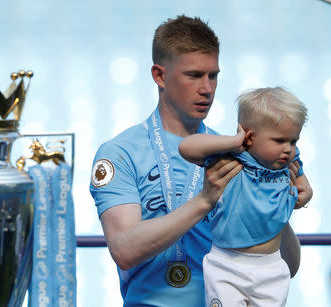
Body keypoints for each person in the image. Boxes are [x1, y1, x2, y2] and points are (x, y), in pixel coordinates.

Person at [89, 15, 312, 306]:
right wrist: (205, 200)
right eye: (194, 75)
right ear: (159, 76)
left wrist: (274, 197)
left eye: (213, 75)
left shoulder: (241, 156)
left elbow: (289, 267)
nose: (207, 88)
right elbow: (124, 250)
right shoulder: (119, 153)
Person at [178, 87, 310, 306]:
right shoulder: (234, 158)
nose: (289, 149)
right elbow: (186, 148)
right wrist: (232, 142)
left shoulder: (288, 163)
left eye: (293, 141)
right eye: (279, 140)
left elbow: (302, 180)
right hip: (227, 264)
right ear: (249, 136)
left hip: (271, 266)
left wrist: (305, 189)